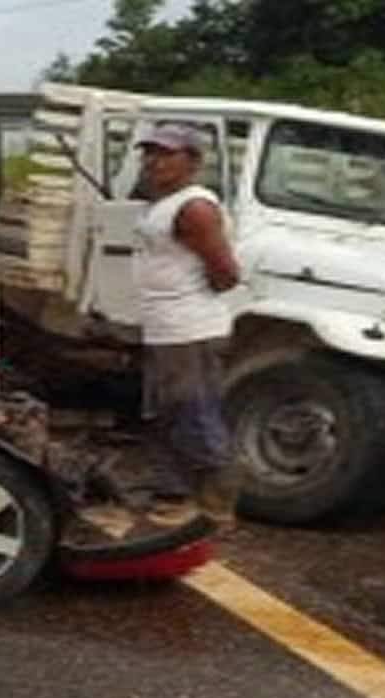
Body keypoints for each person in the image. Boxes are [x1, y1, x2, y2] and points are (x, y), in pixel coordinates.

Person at [133, 123, 244, 530]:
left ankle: (215, 508)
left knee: (195, 414)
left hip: (190, 329)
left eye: (166, 153)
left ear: (192, 161)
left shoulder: (194, 208)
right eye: (150, 153)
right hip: (167, 328)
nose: (154, 161)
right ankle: (181, 498)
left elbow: (226, 273)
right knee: (171, 414)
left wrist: (191, 297)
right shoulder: (164, 203)